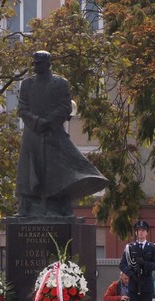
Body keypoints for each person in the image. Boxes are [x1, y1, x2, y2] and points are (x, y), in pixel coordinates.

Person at [16, 50, 108, 217]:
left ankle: (57, 206)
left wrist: (49, 122)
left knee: (57, 171)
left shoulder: (60, 83)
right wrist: (37, 122)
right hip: (32, 133)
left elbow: (65, 106)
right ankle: (26, 208)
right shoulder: (27, 84)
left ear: (48, 64)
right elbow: (22, 108)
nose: (35, 66)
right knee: (28, 169)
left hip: (53, 132)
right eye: (34, 63)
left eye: (39, 63)